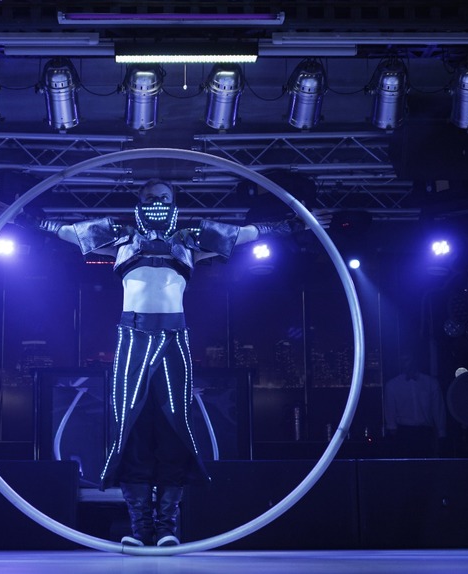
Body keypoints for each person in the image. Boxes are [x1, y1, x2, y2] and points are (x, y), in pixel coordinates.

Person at [27, 179, 307, 547]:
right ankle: (141, 528)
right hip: (133, 336)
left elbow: (243, 234)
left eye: (163, 197)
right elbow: (68, 232)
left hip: (174, 336)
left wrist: (289, 225)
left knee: (176, 427)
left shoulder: (189, 239)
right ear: (139, 200)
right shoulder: (122, 237)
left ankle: (166, 528)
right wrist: (29, 220)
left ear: (174, 202)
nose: (156, 202)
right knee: (130, 428)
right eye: (150, 197)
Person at [382, 354, 447, 458]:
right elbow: (390, 413)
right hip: (404, 434)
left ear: (416, 361)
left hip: (425, 433)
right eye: (405, 360)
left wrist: (441, 434)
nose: (408, 363)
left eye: (409, 360)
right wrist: (393, 433)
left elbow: (438, 410)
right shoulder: (392, 385)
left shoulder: (431, 383)